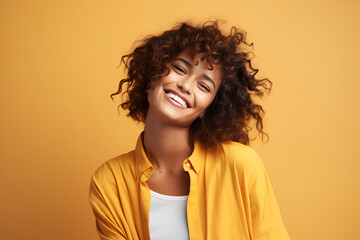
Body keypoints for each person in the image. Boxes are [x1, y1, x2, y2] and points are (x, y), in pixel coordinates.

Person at [89, 21, 290, 240]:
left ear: (210, 108)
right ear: (153, 73)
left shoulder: (241, 165)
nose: (185, 85)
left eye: (204, 86)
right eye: (180, 69)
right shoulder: (110, 181)